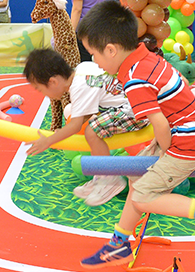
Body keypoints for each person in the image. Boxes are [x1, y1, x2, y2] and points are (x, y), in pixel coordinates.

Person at [75, 1, 195, 268]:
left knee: (142, 196)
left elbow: (159, 123)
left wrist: (164, 153)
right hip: (188, 132)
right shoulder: (147, 57)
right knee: (137, 180)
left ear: (111, 50)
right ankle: (119, 243)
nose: (95, 61)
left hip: (186, 142)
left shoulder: (134, 79)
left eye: (94, 54)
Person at [23, 48, 150, 207]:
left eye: (41, 89)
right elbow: (88, 111)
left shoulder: (78, 87)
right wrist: (62, 133)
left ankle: (109, 179)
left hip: (135, 112)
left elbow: (76, 125)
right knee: (93, 126)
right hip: (135, 105)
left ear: (53, 82)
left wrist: (48, 141)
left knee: (92, 131)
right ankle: (100, 176)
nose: (44, 94)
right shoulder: (83, 68)